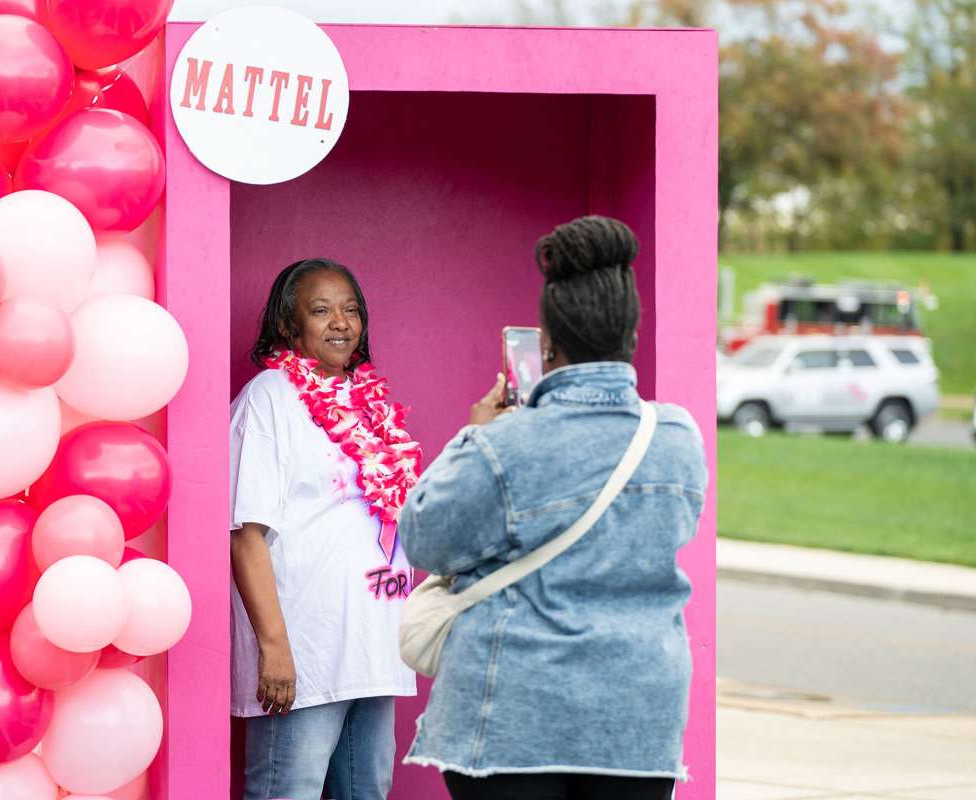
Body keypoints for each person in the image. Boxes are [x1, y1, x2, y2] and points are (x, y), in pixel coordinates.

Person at [398, 216, 707, 800]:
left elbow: (425, 539)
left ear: (544, 344)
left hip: (512, 717)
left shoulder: (501, 444)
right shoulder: (676, 436)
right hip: (638, 719)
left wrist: (472, 438)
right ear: (631, 335)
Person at [229, 258, 421, 800]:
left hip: (373, 648)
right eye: (321, 311)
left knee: (368, 793)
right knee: (288, 791)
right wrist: (274, 648)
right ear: (289, 326)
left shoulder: (370, 406)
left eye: (351, 310)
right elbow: (245, 534)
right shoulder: (270, 398)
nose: (341, 322)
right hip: (305, 654)